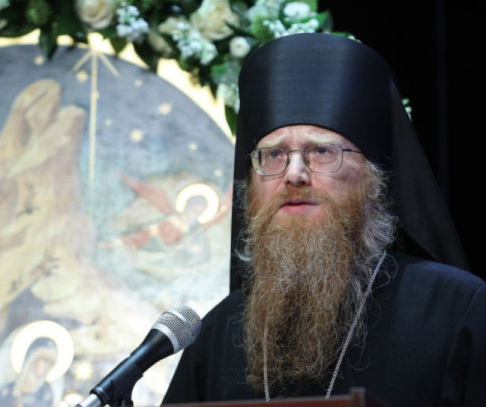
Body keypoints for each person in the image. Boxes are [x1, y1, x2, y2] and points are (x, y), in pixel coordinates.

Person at [161, 33, 486, 407]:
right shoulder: (217, 332)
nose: (294, 174)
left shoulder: (455, 310)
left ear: (372, 180)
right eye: (273, 155)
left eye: (321, 152)